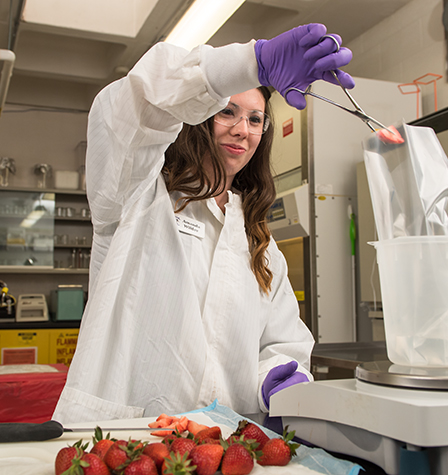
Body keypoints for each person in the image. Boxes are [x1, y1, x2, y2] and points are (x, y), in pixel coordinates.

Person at [53, 24, 355, 423]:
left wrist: (280, 377)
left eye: (255, 119)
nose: (241, 130)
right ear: (199, 115)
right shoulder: (139, 196)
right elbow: (131, 108)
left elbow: (282, 342)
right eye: (227, 111)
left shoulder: (257, 241)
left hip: (228, 440)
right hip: (127, 435)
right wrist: (251, 63)